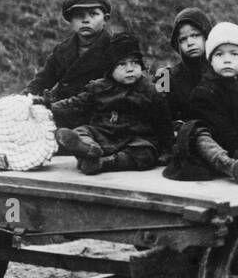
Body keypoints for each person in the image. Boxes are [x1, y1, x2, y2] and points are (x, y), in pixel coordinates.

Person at [164, 22, 238, 184]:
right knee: (196, 135)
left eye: (195, 35)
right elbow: (220, 127)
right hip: (218, 137)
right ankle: (230, 165)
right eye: (219, 55)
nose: (227, 60)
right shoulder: (189, 83)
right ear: (211, 60)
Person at [52, 33, 172, 175]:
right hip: (103, 134)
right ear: (110, 69)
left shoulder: (150, 90)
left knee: (146, 153)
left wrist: (167, 150)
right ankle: (88, 149)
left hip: (134, 138)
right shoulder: (98, 87)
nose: (130, 69)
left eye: (135, 62)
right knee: (82, 131)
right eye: (122, 64)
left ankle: (102, 163)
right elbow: (75, 103)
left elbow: (163, 122)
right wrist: (51, 106)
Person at [24, 0, 115, 128]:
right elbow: (43, 80)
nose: (86, 20)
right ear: (70, 21)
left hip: (99, 115)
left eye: (93, 14)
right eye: (79, 16)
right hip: (61, 112)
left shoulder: (115, 48)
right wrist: (22, 99)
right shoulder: (63, 50)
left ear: (105, 19)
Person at [160, 6, 213, 124]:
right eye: (183, 39)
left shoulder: (221, 69)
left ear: (206, 35)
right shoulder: (167, 77)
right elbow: (161, 117)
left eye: (195, 35)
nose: (190, 43)